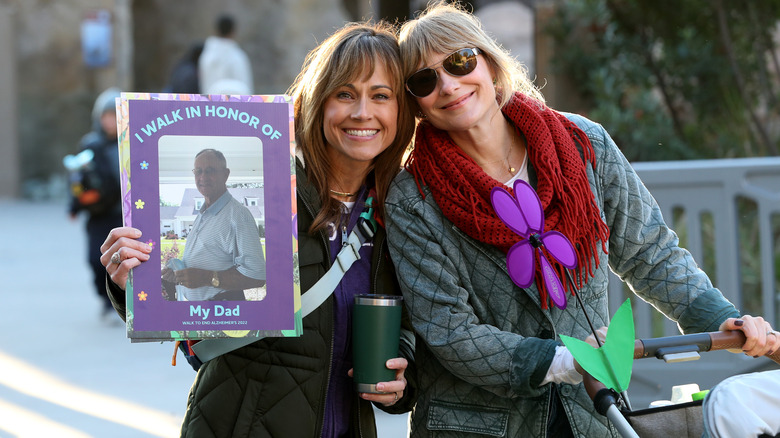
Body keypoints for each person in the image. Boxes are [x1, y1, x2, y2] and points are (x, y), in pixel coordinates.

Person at [384, 3, 780, 437]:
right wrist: (561, 360)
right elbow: (449, 331)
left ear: (490, 62)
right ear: (416, 104)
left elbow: (651, 254)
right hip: (477, 425)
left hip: (592, 415)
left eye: (460, 61)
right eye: (425, 80)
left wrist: (719, 319)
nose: (449, 85)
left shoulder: (583, 144)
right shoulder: (412, 198)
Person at [100, 21, 416, 437]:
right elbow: (181, 304)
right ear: (318, 101)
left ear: (401, 110)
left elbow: (415, 323)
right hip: (241, 422)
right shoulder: (273, 193)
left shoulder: (401, 209)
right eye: (345, 94)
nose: (362, 112)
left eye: (380, 96)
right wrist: (130, 280)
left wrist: (401, 378)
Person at [160, 148, 265, 301]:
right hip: (200, 315)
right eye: (198, 171)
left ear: (226, 174)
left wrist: (207, 277)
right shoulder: (202, 214)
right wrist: (179, 272)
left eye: (210, 171)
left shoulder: (238, 215)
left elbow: (258, 275)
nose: (203, 177)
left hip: (223, 315)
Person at [67, 87, 123, 320]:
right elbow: (76, 178)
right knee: (95, 259)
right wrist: (74, 205)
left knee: (119, 259)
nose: (109, 121)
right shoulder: (90, 144)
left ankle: (118, 302)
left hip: (121, 213)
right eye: (106, 116)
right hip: (98, 215)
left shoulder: (131, 142)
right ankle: (105, 297)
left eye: (114, 115)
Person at [198, 14, 253, 95]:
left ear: (216, 30)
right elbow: (245, 88)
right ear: (233, 31)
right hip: (235, 107)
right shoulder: (237, 56)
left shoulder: (206, 55)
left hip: (209, 106)